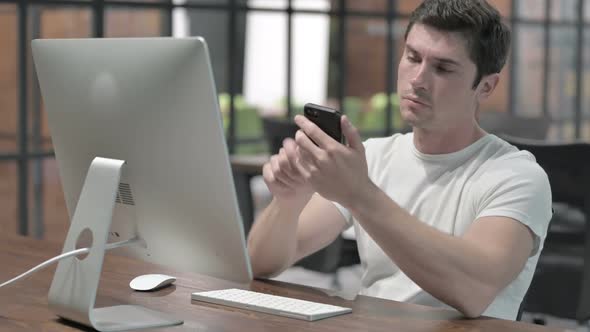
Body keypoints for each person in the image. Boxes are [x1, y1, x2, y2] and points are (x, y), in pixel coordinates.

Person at [247, 0, 552, 320]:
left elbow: (474, 290)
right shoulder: (376, 157)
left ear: (486, 86)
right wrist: (287, 203)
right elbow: (260, 263)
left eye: (443, 68)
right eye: (412, 57)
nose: (418, 79)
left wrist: (359, 194)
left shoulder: (517, 176)